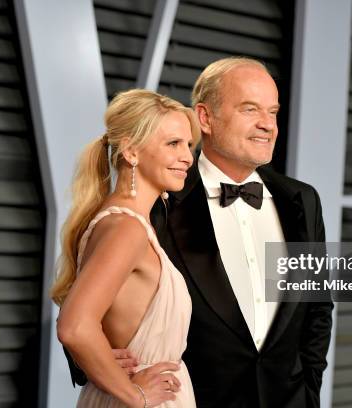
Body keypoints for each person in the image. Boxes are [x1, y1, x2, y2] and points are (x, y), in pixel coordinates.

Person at [153, 57, 334, 407]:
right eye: (250, 109)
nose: (268, 125)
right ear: (205, 118)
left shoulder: (302, 200)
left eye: (273, 112)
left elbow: (317, 307)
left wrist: (309, 389)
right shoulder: (162, 198)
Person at [51, 89, 200, 407]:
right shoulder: (126, 228)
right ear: (131, 152)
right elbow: (74, 327)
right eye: (173, 143)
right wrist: (137, 396)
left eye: (188, 145)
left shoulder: (123, 222)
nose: (188, 156)